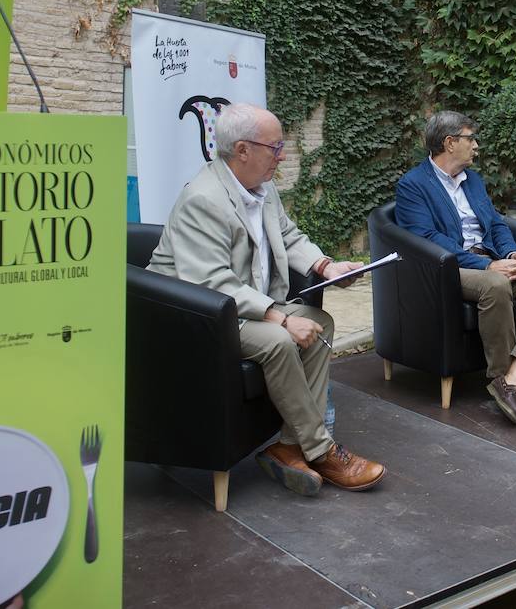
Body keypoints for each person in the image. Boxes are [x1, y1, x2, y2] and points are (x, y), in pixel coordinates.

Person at [148, 103, 386, 495]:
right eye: (274, 147)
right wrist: (279, 317)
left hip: (243, 306)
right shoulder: (203, 199)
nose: (283, 155)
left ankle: (289, 447)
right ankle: (321, 450)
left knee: (320, 322)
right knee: (279, 340)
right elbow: (210, 281)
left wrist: (326, 266)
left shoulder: (262, 188)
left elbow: (289, 237)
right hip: (197, 316)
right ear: (242, 150)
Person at [394, 111, 516, 425]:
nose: (476, 146)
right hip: (450, 269)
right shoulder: (413, 185)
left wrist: (512, 253)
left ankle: (513, 381)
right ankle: (500, 376)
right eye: (470, 138)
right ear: (450, 143)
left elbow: (495, 223)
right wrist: (488, 265)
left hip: (492, 262)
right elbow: (428, 239)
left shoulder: (473, 180)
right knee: (496, 284)